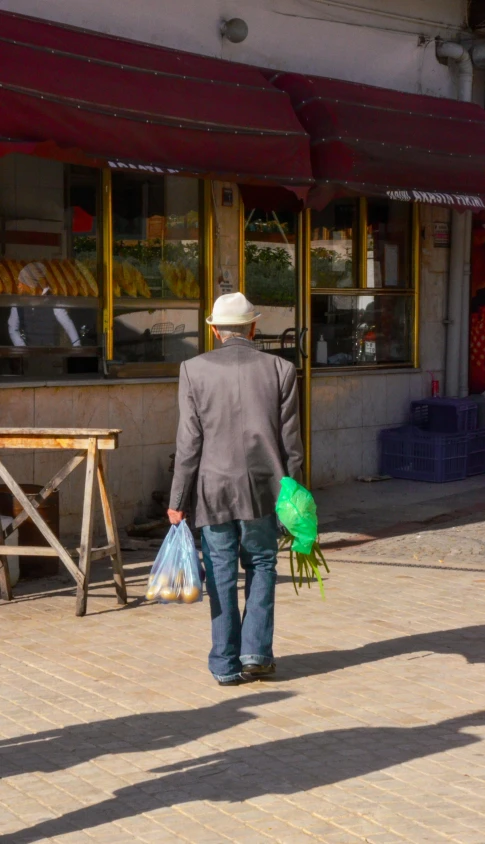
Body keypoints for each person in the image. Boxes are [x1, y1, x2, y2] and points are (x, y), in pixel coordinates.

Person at [168, 292, 303, 686]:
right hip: (265, 487)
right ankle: (256, 654)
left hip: (213, 488)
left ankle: (225, 664)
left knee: (221, 572)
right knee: (262, 564)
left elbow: (188, 443)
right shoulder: (281, 368)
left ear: (214, 330)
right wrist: (295, 499)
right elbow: (291, 443)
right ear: (254, 327)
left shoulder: (193, 369)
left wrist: (177, 499)